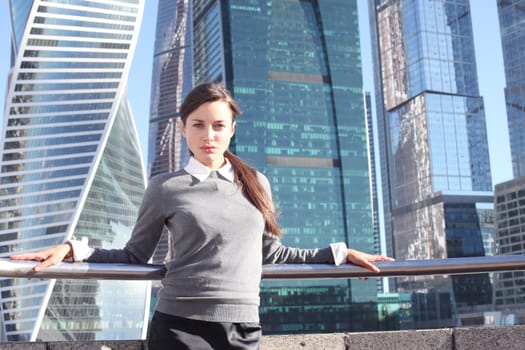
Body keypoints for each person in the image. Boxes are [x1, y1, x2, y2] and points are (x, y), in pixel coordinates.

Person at [11, 82, 394, 350]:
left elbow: (272, 254)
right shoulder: (166, 187)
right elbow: (134, 256)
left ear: (231, 131)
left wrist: (340, 253)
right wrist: (72, 249)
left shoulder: (255, 182)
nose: (208, 135)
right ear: (182, 129)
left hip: (243, 328)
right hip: (179, 327)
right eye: (197, 125)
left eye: (218, 126)